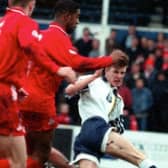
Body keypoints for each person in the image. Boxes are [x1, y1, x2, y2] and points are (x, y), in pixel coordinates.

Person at [19, 0, 126, 167]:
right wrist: (108, 59)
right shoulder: (57, 36)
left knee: (26, 150)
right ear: (66, 16)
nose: (78, 21)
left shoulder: (43, 34)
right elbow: (77, 63)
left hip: (21, 98)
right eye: (76, 17)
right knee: (41, 152)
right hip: (40, 103)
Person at [0, 0, 76, 167]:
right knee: (30, 156)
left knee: (22, 153)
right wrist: (58, 70)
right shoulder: (25, 24)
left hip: (18, 95)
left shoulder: (3, 23)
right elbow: (29, 46)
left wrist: (18, 86)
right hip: (29, 101)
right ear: (32, 4)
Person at [65, 51, 157, 168]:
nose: (119, 76)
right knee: (136, 155)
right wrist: (94, 76)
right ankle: (147, 164)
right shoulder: (93, 81)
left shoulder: (119, 100)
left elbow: (117, 131)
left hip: (90, 139)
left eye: (122, 73)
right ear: (106, 70)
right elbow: (69, 91)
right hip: (92, 126)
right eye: (115, 72)